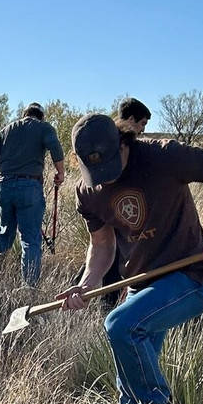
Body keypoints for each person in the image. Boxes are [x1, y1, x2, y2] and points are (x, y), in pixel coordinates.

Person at [59, 112, 203, 404]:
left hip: (193, 276)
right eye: (95, 172)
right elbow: (102, 246)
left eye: (110, 167)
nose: (105, 179)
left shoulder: (163, 156)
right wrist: (86, 284)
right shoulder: (87, 193)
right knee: (129, 379)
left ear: (123, 143)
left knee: (120, 326)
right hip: (140, 286)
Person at [70, 98, 153, 310]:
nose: (142, 130)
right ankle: (106, 304)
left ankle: (100, 299)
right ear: (132, 119)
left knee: (108, 258)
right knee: (109, 259)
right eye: (142, 123)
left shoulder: (138, 152)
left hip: (127, 228)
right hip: (115, 225)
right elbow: (101, 244)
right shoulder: (107, 143)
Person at [0, 102, 66, 288]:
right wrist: (60, 173)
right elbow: (55, 147)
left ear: (24, 114)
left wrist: (6, 170)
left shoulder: (8, 128)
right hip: (29, 186)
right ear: (41, 116)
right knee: (30, 239)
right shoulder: (43, 127)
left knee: (4, 232)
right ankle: (30, 288)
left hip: (4, 185)